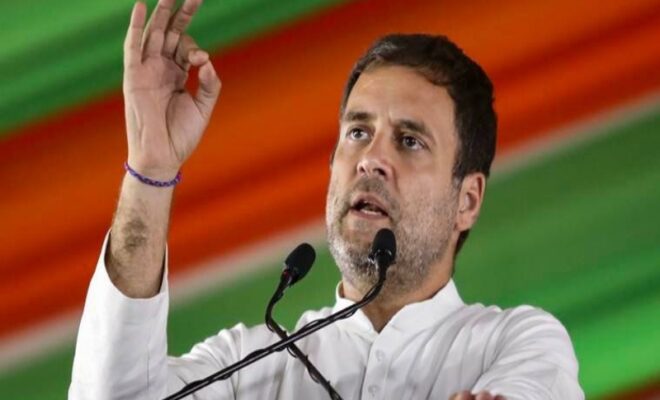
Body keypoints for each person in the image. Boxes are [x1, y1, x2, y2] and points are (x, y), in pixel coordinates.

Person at [68, 0, 584, 399]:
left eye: (409, 141)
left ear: (467, 201)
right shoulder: (250, 365)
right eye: (358, 132)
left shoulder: (515, 343)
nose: (371, 159)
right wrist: (151, 169)